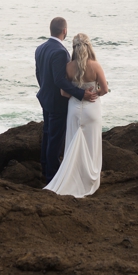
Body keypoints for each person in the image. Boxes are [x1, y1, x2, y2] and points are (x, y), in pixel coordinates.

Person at [43, 33, 110, 197]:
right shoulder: (95, 65)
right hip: (92, 109)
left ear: (74, 48)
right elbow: (104, 89)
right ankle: (90, 178)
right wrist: (94, 93)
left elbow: (64, 92)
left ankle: (72, 177)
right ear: (89, 46)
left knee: (73, 144)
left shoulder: (68, 67)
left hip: (74, 109)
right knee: (91, 144)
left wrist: (79, 94)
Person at [33, 17, 97, 182]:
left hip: (45, 97)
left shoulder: (40, 48)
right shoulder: (61, 52)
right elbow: (59, 80)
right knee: (55, 138)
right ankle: (52, 175)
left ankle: (45, 168)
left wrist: (45, 89)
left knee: (48, 133)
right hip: (56, 102)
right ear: (64, 31)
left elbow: (39, 73)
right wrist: (81, 94)